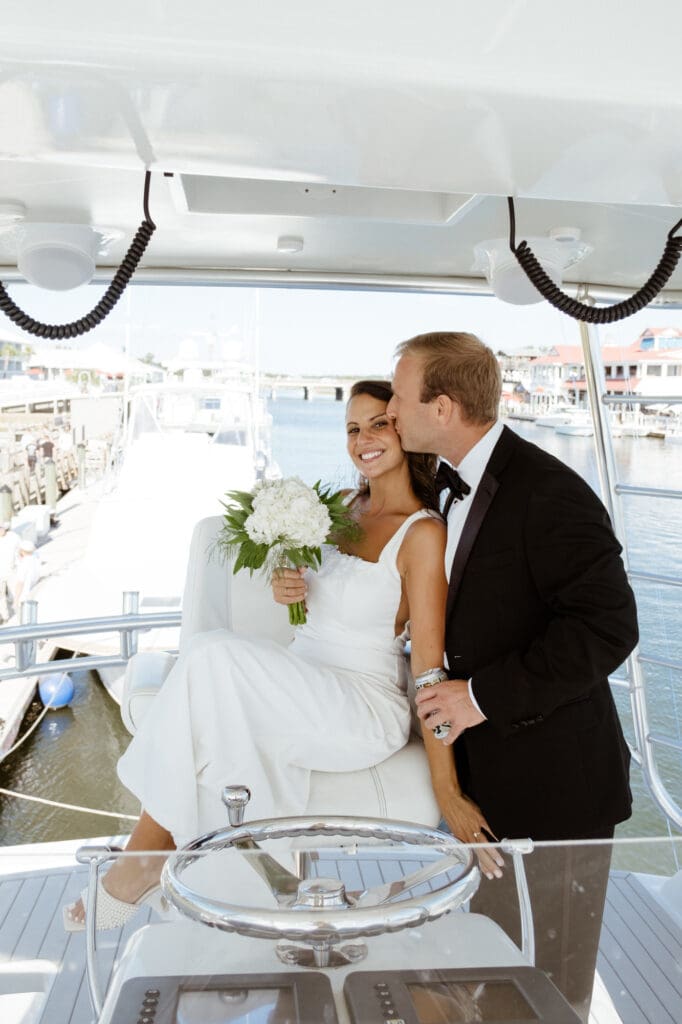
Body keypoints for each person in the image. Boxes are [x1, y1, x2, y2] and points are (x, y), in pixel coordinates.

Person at [64, 379, 495, 932]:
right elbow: (319, 599)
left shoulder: (423, 534)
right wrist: (286, 585)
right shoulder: (340, 507)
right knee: (215, 702)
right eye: (352, 428)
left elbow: (428, 666)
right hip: (304, 681)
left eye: (378, 424)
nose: (363, 439)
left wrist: (447, 789)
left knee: (210, 656)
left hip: (362, 706)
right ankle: (231, 890)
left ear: (406, 431)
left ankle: (142, 860)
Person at [387, 331, 639, 1022]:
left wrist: (475, 698)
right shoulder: (442, 483)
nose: (392, 411)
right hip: (486, 786)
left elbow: (609, 627)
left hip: (557, 788)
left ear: (442, 407)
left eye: (402, 397)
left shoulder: (549, 491)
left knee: (552, 989)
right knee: (494, 976)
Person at [0, 521, 20, 622]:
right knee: (1, 596)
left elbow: (19, 550)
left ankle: (19, 614)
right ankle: (5, 616)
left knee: (15, 593)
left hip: (11, 571)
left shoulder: (13, 537)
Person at [12, 538, 41, 607]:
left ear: (22, 551)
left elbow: (20, 583)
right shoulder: (36, 558)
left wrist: (16, 600)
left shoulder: (24, 564)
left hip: (23, 598)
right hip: (34, 594)